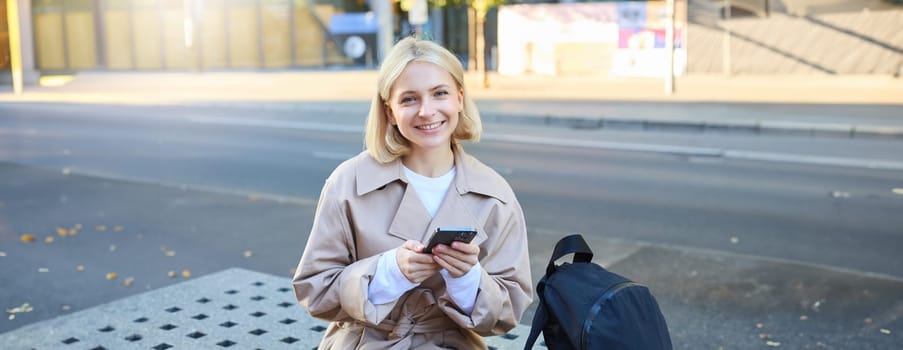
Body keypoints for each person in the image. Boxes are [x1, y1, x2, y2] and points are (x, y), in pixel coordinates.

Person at [291, 36, 533, 349]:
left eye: (439, 94)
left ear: (459, 98)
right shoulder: (348, 182)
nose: (426, 111)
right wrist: (389, 272)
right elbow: (315, 291)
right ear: (389, 111)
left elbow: (507, 312)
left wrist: (466, 278)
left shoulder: (495, 194)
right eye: (408, 99)